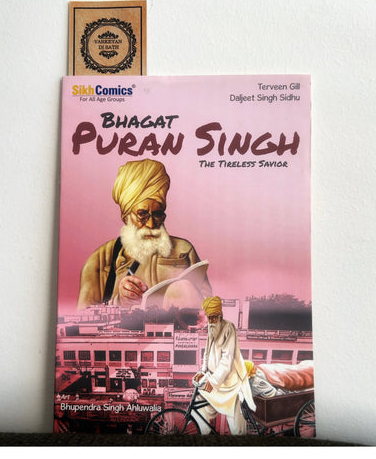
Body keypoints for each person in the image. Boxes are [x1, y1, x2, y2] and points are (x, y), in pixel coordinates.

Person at [77, 159, 211, 309]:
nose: (151, 224)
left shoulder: (184, 249)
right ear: (126, 215)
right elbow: (82, 318)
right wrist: (119, 302)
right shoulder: (100, 260)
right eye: (142, 214)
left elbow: (209, 305)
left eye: (158, 214)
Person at [192, 296, 256, 435]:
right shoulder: (211, 328)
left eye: (214, 317)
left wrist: (213, 381)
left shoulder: (229, 328)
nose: (212, 321)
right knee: (198, 401)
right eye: (210, 318)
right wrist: (203, 371)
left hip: (230, 384)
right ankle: (204, 434)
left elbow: (227, 360)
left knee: (237, 429)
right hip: (215, 380)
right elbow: (207, 353)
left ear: (220, 315)